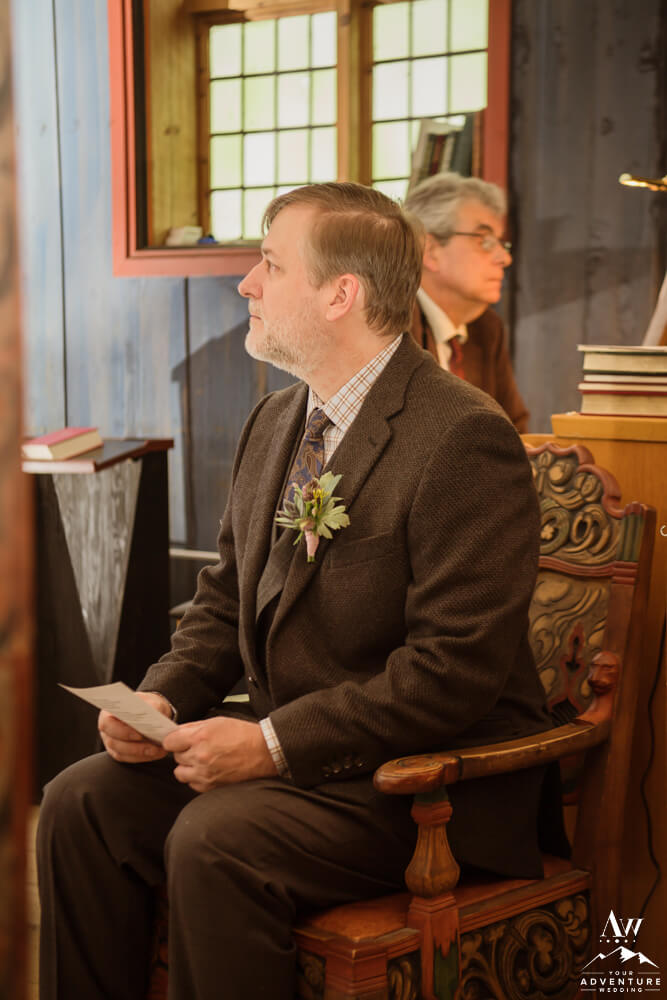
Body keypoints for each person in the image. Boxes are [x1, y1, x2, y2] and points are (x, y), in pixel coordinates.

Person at [37, 182, 555, 1000]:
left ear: (340, 294)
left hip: (422, 784)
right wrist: (161, 700)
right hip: (303, 759)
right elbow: (222, 599)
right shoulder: (277, 419)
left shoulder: (462, 436)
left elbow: (452, 671)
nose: (246, 283)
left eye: (270, 265)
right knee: (80, 801)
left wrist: (271, 744)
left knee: (215, 837)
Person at [405, 172, 530, 432]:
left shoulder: (487, 329)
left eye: (500, 243)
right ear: (430, 251)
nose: (504, 259)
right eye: (484, 240)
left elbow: (513, 431)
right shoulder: (393, 324)